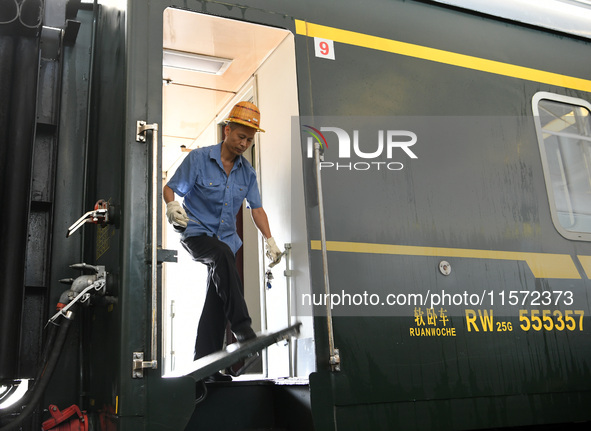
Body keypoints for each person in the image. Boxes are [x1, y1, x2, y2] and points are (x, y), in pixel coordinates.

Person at [163, 101, 282, 380]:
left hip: (227, 243)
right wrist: (171, 206)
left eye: (250, 140)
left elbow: (256, 208)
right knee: (220, 255)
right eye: (241, 136)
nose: (244, 144)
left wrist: (270, 240)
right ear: (227, 131)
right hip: (196, 233)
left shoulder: (247, 172)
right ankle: (244, 331)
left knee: (217, 300)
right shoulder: (199, 159)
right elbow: (171, 188)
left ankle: (206, 367)